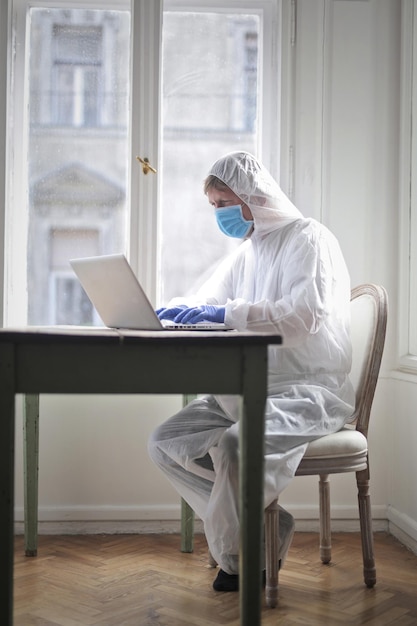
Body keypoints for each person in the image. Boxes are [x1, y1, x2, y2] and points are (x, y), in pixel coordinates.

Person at [148, 151, 355, 592]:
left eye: (222, 203)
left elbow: (302, 318)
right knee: (165, 442)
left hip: (306, 387)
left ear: (249, 196)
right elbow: (210, 302)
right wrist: (176, 311)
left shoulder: (308, 238)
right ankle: (268, 528)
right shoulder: (250, 250)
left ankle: (242, 560)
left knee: (237, 446)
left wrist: (224, 313)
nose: (219, 215)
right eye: (214, 207)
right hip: (248, 387)